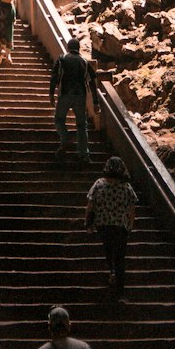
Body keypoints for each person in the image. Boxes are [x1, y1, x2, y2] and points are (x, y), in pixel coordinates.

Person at [86, 156, 138, 301]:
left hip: (103, 225)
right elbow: (132, 209)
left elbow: (90, 206)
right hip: (120, 227)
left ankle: (111, 271)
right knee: (120, 257)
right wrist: (130, 226)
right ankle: (120, 291)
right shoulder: (126, 187)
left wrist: (88, 224)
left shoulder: (99, 184)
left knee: (108, 250)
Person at [50, 37, 96, 162]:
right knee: (82, 125)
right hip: (80, 96)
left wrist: (51, 94)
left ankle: (65, 140)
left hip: (64, 94)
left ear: (68, 48)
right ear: (78, 48)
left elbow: (54, 77)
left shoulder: (62, 59)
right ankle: (83, 154)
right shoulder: (84, 62)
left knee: (59, 120)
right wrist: (96, 102)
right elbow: (92, 81)